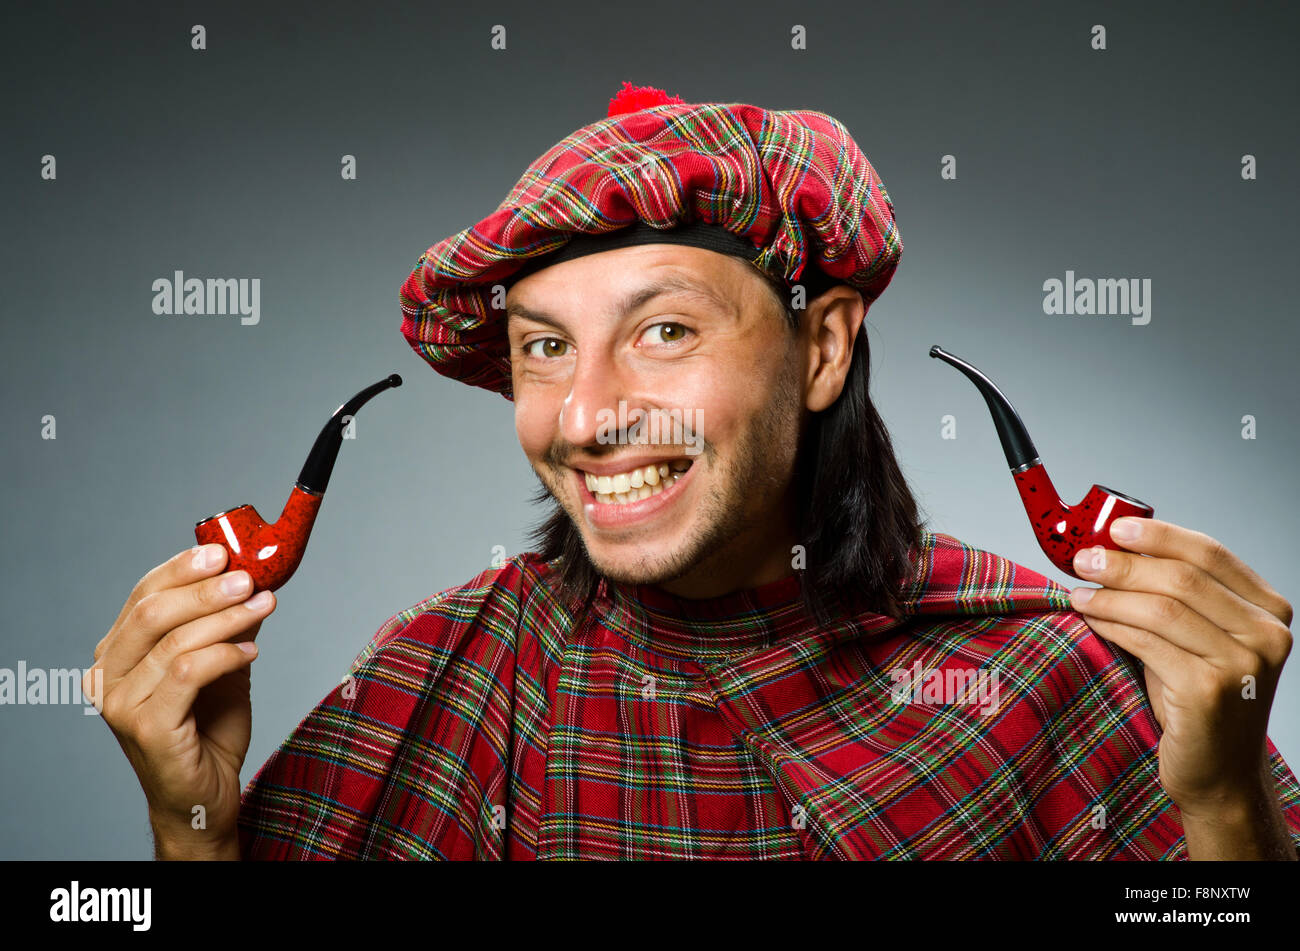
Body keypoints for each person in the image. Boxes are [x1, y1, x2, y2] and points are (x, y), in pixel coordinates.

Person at [91, 83, 1300, 860]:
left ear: (819, 348)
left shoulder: (1048, 671)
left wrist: (1229, 811)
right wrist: (187, 822)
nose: (587, 413)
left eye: (664, 330)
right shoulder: (445, 671)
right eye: (544, 347)